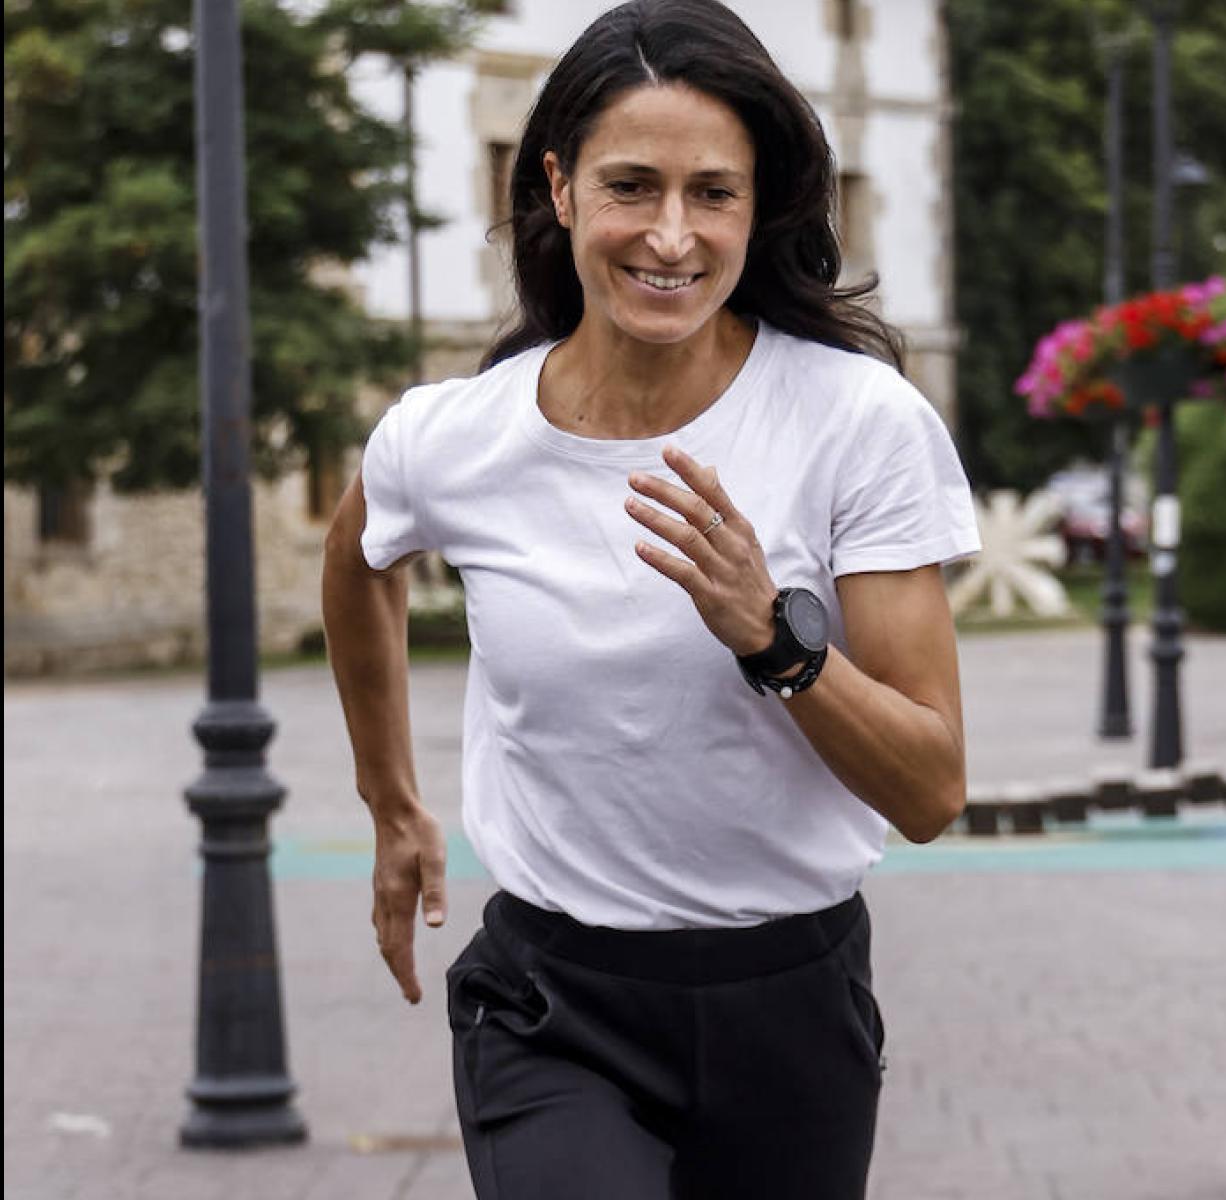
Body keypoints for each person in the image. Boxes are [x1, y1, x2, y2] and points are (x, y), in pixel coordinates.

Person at [322, 1, 981, 1196]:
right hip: (551, 1006)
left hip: (792, 1002)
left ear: (758, 207)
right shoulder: (454, 436)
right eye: (632, 185)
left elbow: (932, 788)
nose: (670, 236)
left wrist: (773, 641)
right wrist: (391, 801)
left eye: (713, 194)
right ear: (560, 188)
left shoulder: (857, 424)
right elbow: (359, 552)